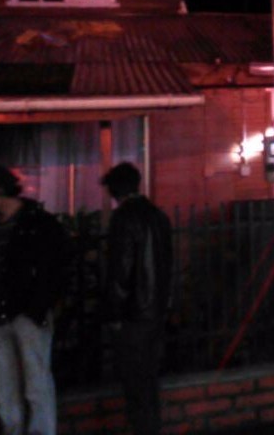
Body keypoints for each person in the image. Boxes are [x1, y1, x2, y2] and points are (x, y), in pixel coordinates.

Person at [0, 164, 70, 435]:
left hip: (25, 313)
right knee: (5, 386)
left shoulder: (38, 223)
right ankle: (13, 429)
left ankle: (37, 431)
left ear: (0, 192)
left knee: (35, 383)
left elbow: (57, 267)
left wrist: (38, 307)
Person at [102, 162, 173, 435]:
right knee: (149, 378)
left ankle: (142, 429)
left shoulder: (123, 219)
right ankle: (151, 428)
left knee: (134, 382)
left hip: (133, 314)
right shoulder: (158, 216)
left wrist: (114, 313)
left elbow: (121, 270)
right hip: (154, 310)